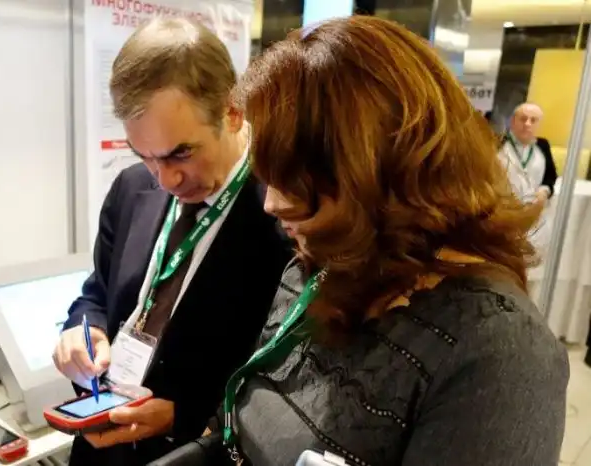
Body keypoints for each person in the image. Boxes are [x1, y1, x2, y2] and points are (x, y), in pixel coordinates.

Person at [211, 16, 569, 466]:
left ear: (390, 170)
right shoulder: (316, 267)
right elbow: (238, 430)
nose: (272, 204)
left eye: (295, 180)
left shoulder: (500, 354)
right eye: (268, 178)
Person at [52, 18, 290, 466]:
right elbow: (98, 293)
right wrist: (83, 330)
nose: (166, 179)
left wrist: (185, 416)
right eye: (145, 156)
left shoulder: (283, 215)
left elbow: (284, 385)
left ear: (232, 111)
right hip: (101, 448)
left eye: (181, 153)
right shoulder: (130, 188)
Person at [499, 102, 558, 205]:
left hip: (532, 207)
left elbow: (550, 177)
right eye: (523, 119)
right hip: (501, 207)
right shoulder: (496, 143)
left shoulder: (543, 145)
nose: (527, 124)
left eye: (533, 120)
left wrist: (545, 191)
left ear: (539, 125)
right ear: (513, 122)